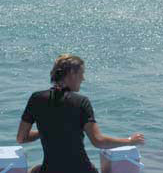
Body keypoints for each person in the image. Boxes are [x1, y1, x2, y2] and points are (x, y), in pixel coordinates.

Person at [16, 54, 145, 173]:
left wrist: (46, 130)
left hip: (50, 170)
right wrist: (129, 141)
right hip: (82, 170)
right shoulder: (81, 102)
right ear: (72, 73)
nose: (83, 78)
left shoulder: (36, 99)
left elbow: (21, 138)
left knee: (35, 170)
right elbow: (98, 141)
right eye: (82, 73)